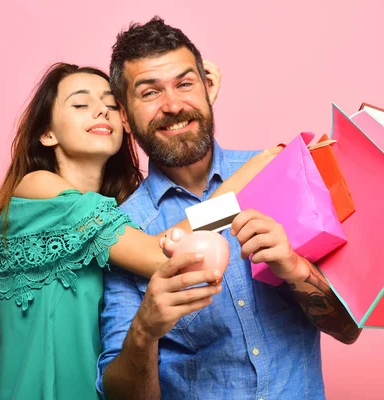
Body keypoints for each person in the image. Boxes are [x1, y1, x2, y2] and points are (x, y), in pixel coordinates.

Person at [0, 61, 278, 400]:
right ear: (47, 134)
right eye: (81, 104)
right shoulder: (39, 188)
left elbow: (169, 235)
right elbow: (158, 254)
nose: (101, 112)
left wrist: (189, 109)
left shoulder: (122, 215)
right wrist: (245, 182)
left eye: (111, 106)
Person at [98, 16, 362, 400]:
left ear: (208, 87)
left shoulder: (282, 169)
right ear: (124, 113)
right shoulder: (125, 233)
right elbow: (118, 394)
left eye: (185, 84)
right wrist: (144, 330)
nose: (173, 105)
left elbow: (348, 329)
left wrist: (294, 267)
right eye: (150, 93)